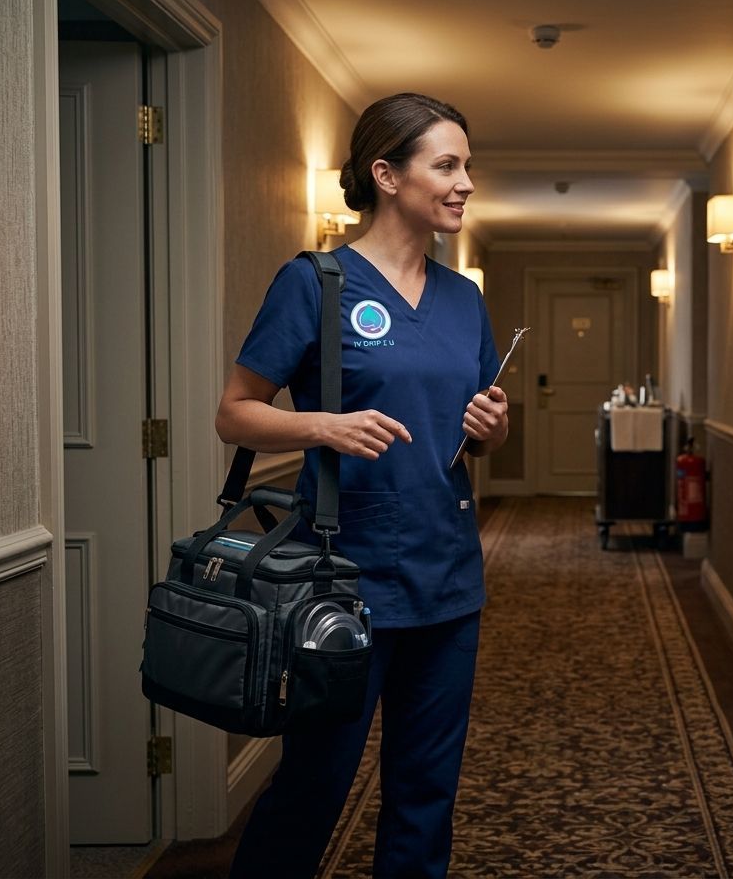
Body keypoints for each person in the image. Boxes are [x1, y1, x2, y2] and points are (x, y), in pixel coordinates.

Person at [216, 92, 508, 879]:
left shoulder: (464, 299)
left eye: (467, 166)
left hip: (448, 579)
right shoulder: (315, 281)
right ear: (386, 174)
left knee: (426, 791)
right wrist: (323, 427)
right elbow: (234, 414)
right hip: (343, 580)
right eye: (446, 165)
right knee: (315, 785)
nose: (465, 183)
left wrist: (491, 425)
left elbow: (477, 433)